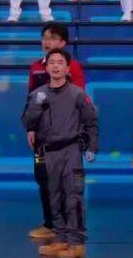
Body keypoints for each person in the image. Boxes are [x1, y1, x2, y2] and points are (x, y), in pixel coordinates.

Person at [22, 48, 98, 258]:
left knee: (73, 197)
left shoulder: (77, 94)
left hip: (70, 151)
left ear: (67, 68)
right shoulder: (37, 94)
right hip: (48, 152)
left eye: (60, 62)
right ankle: (60, 238)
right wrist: (36, 107)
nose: (55, 66)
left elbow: (91, 122)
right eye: (52, 62)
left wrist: (92, 147)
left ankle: (77, 243)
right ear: (46, 67)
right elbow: (27, 122)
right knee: (53, 196)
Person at [26, 22, 87, 240]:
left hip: (65, 136)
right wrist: (31, 128)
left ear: (63, 43)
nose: (47, 42)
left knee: (67, 184)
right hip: (41, 137)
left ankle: (71, 231)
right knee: (43, 178)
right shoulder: (35, 67)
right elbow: (30, 101)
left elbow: (80, 100)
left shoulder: (73, 68)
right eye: (44, 37)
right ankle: (50, 224)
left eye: (52, 38)